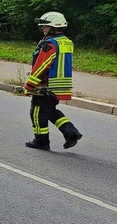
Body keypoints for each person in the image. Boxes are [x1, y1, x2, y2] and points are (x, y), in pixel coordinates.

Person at [23, 11, 82, 150]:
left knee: (37, 112)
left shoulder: (50, 44)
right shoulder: (67, 42)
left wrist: (30, 84)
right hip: (60, 86)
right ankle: (71, 133)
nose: (42, 28)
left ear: (54, 27)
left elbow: (42, 65)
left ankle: (41, 141)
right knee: (49, 111)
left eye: (45, 26)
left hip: (46, 86)